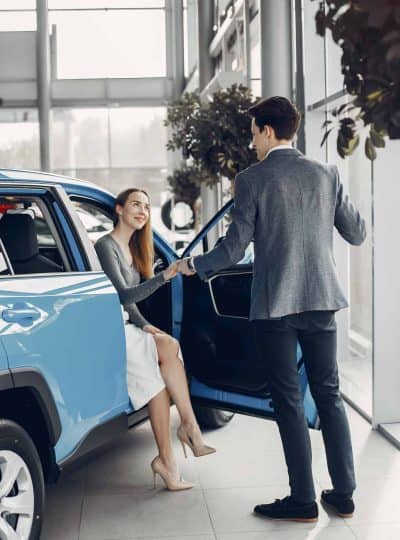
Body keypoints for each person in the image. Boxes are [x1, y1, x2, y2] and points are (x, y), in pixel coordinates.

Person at [178, 96, 366, 522]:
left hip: (275, 307)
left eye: (252, 134)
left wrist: (193, 265)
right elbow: (356, 232)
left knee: (287, 402)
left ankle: (302, 499)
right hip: (322, 302)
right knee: (329, 395)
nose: (251, 143)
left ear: (266, 130)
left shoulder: (253, 179)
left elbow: (232, 248)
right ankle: (344, 494)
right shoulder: (326, 174)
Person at [95, 188, 215, 492]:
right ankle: (190, 430)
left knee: (159, 380)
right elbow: (123, 296)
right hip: (108, 327)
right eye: (136, 204)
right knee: (170, 348)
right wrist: (164, 277)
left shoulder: (134, 249)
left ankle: (167, 462)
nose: (142, 211)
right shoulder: (105, 246)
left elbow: (129, 306)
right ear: (119, 209)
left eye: (147, 207)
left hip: (126, 324)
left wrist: (146, 326)